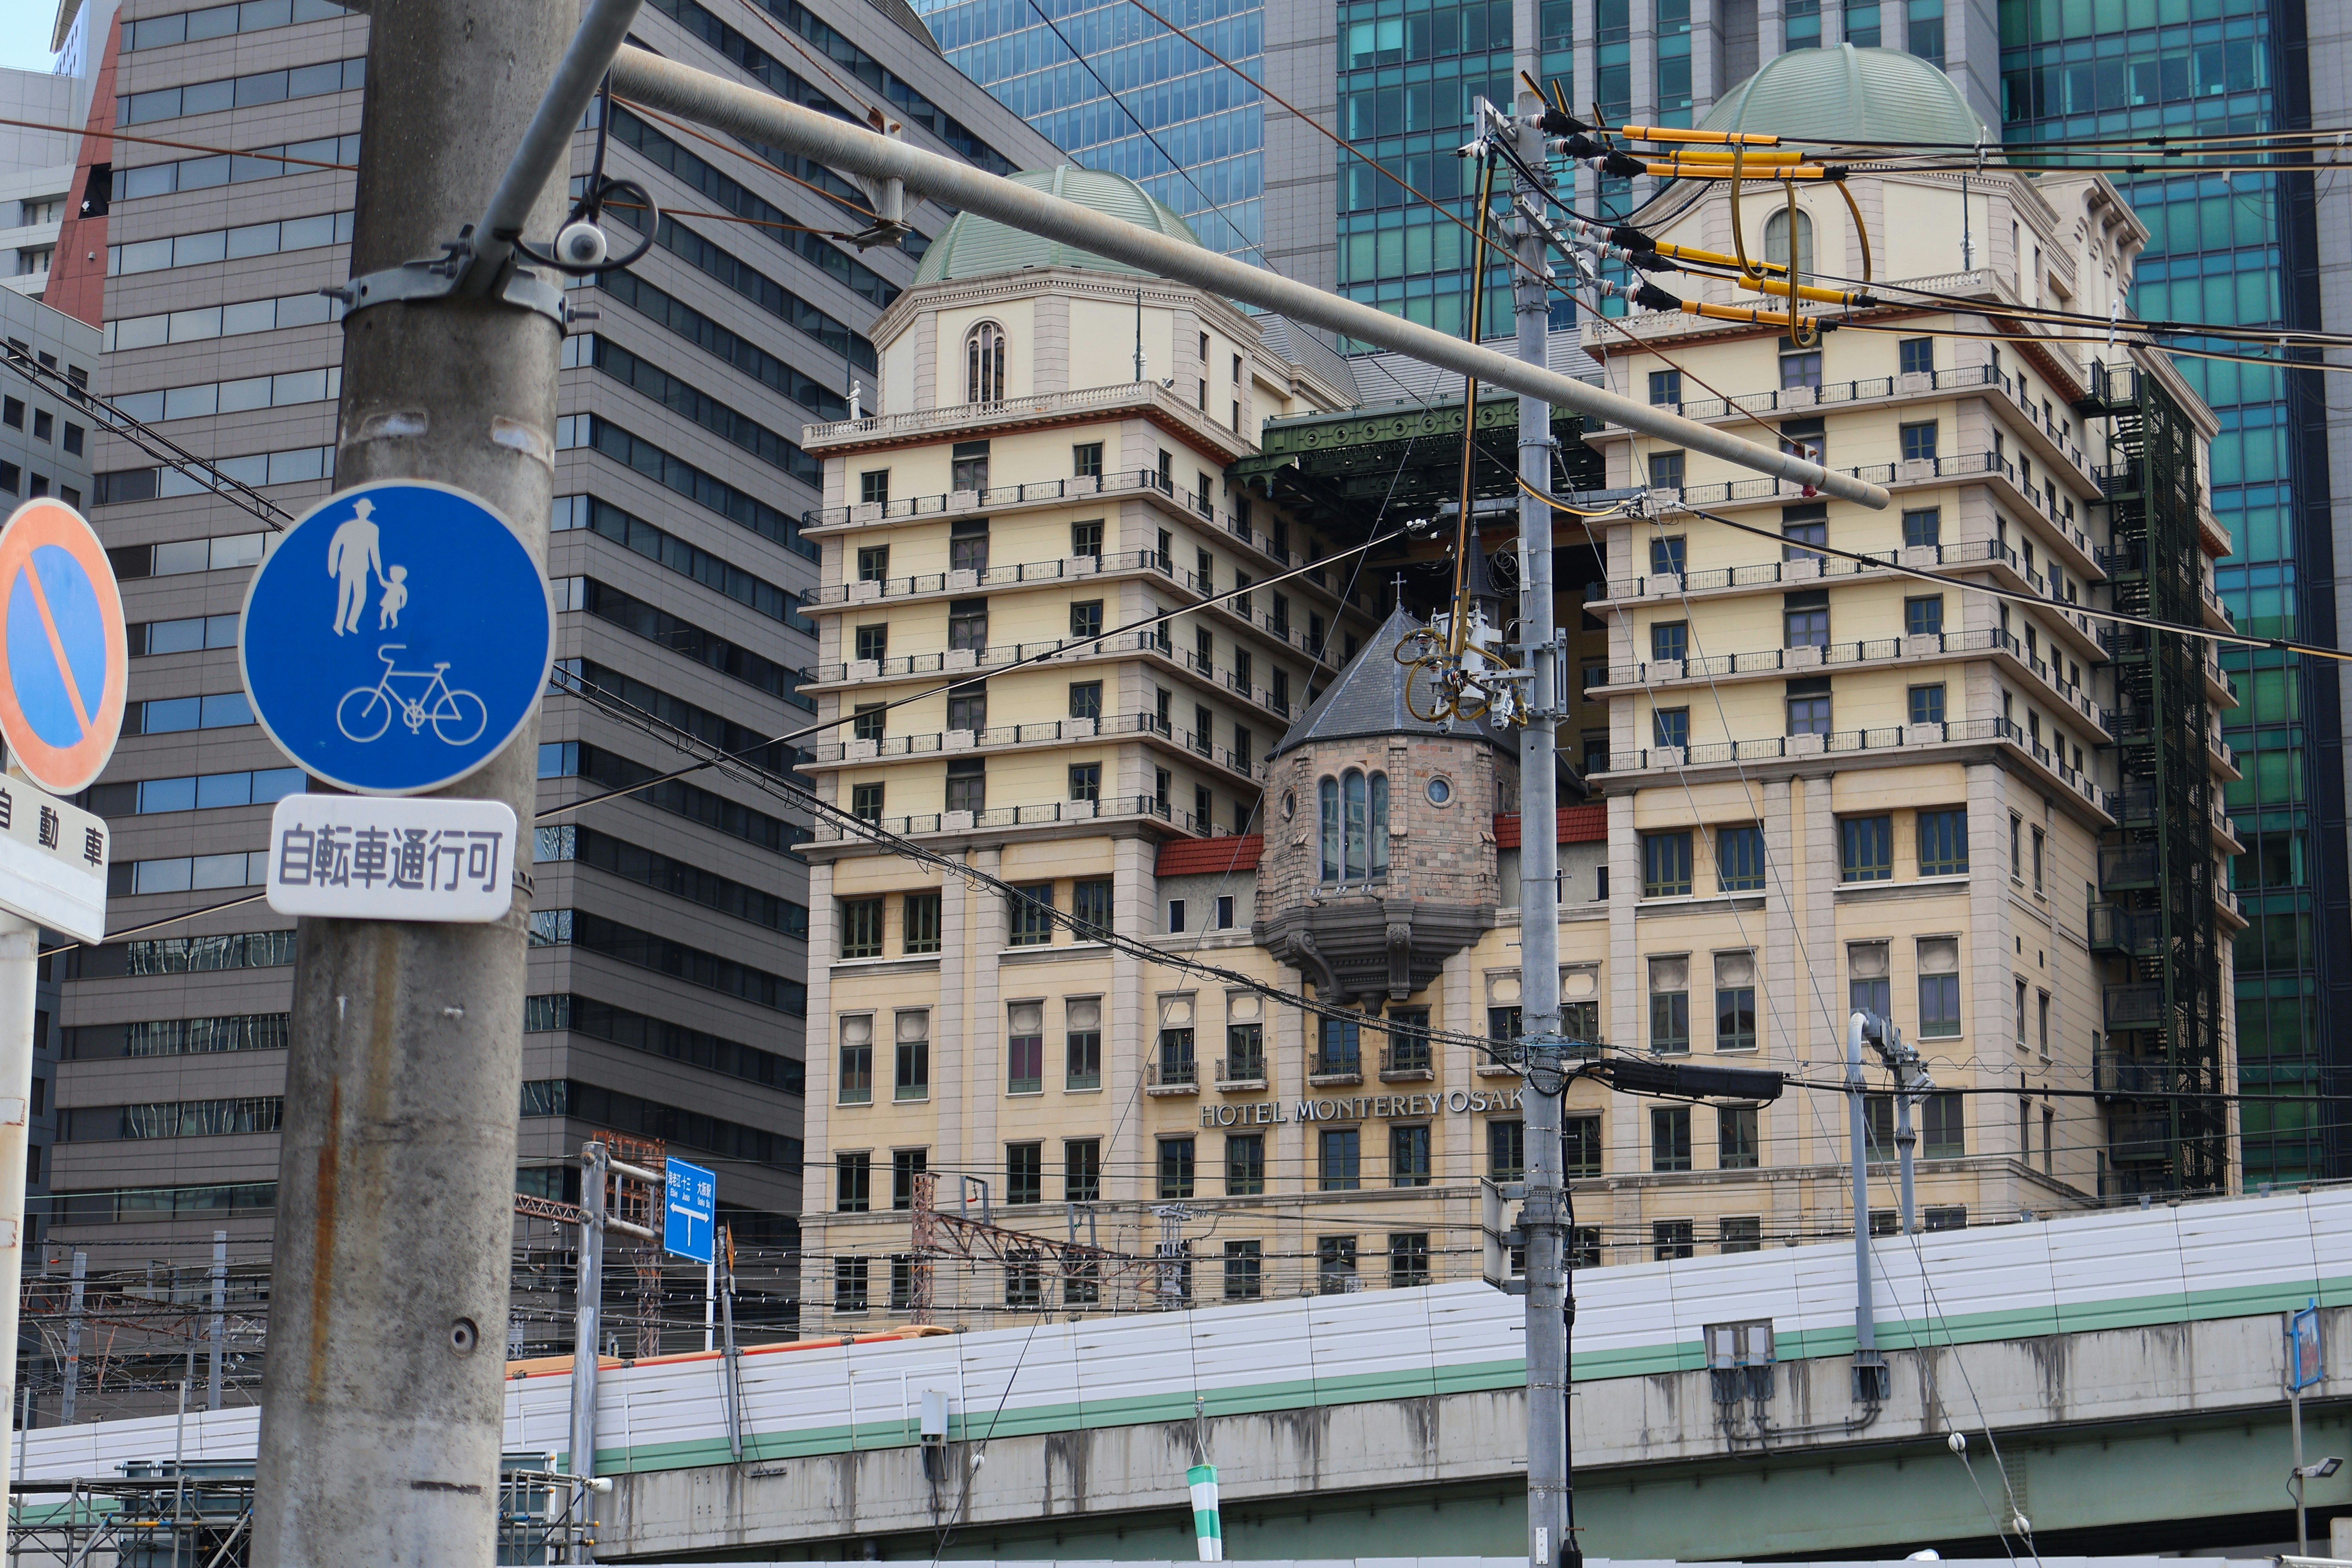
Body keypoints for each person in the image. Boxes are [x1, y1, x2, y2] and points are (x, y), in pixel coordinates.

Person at [326, 498, 382, 635]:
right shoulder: (346, 527)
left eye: (367, 510)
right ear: (357, 510)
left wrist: (379, 572)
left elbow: (374, 551)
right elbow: (335, 546)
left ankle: (351, 623)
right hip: (346, 566)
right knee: (344, 596)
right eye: (362, 509)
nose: (364, 512)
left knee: (361, 595)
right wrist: (332, 567)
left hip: (361, 567)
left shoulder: (373, 529)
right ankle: (339, 625)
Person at [376, 563, 408, 630]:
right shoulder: (391, 585)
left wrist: (403, 604)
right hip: (388, 602)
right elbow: (383, 583)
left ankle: (395, 623)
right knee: (383, 614)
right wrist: (380, 576)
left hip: (395, 604)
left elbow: (404, 596)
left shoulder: (402, 588)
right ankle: (384, 625)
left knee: (393, 615)